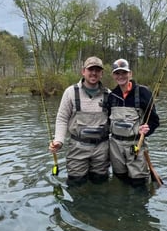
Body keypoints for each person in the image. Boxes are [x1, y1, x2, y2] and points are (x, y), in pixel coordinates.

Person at [49, 56, 110, 186]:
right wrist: (59, 141)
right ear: (83, 71)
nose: (94, 73)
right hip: (77, 147)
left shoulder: (109, 94)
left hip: (102, 149)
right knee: (76, 183)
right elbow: (62, 118)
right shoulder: (70, 92)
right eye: (90, 69)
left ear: (102, 73)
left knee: (101, 183)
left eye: (97, 70)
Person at [107, 58, 160, 187]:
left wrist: (147, 130)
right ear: (114, 76)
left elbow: (154, 120)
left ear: (130, 73)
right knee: (119, 179)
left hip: (136, 144)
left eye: (124, 73)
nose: (121, 76)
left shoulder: (143, 92)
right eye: (117, 73)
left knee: (139, 182)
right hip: (115, 146)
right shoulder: (111, 96)